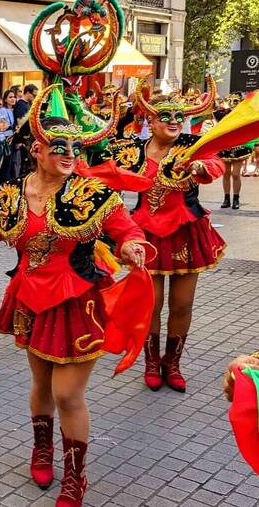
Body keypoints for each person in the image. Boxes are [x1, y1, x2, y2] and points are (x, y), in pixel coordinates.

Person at [0, 86, 146, 507]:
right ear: (36, 149)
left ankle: (76, 477)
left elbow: (124, 226)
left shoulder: (91, 193)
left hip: (77, 300)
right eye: (59, 146)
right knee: (42, 384)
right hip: (30, 297)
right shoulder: (13, 193)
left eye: (75, 147)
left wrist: (131, 246)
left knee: (68, 394)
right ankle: (42, 448)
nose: (69, 154)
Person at [91, 76, 225, 394]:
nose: (175, 122)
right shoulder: (132, 152)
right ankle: (151, 363)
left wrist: (200, 169)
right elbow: (106, 173)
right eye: (166, 116)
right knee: (151, 303)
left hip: (185, 233)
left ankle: (172, 362)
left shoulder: (192, 147)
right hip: (145, 235)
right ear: (150, 121)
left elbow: (214, 162)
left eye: (180, 117)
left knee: (181, 304)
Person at [216, 94, 251, 209]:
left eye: (235, 101)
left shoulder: (245, 115)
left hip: (239, 147)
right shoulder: (222, 115)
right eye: (230, 101)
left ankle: (236, 198)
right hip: (225, 146)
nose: (232, 103)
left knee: (235, 174)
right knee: (226, 173)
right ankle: (226, 198)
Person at [0, 89, 17, 184]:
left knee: (10, 163)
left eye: (14, 97)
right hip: (6, 139)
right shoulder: (3, 110)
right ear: (5, 99)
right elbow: (3, 125)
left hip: (11, 138)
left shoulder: (11, 110)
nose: (13, 99)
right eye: (10, 97)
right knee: (6, 163)